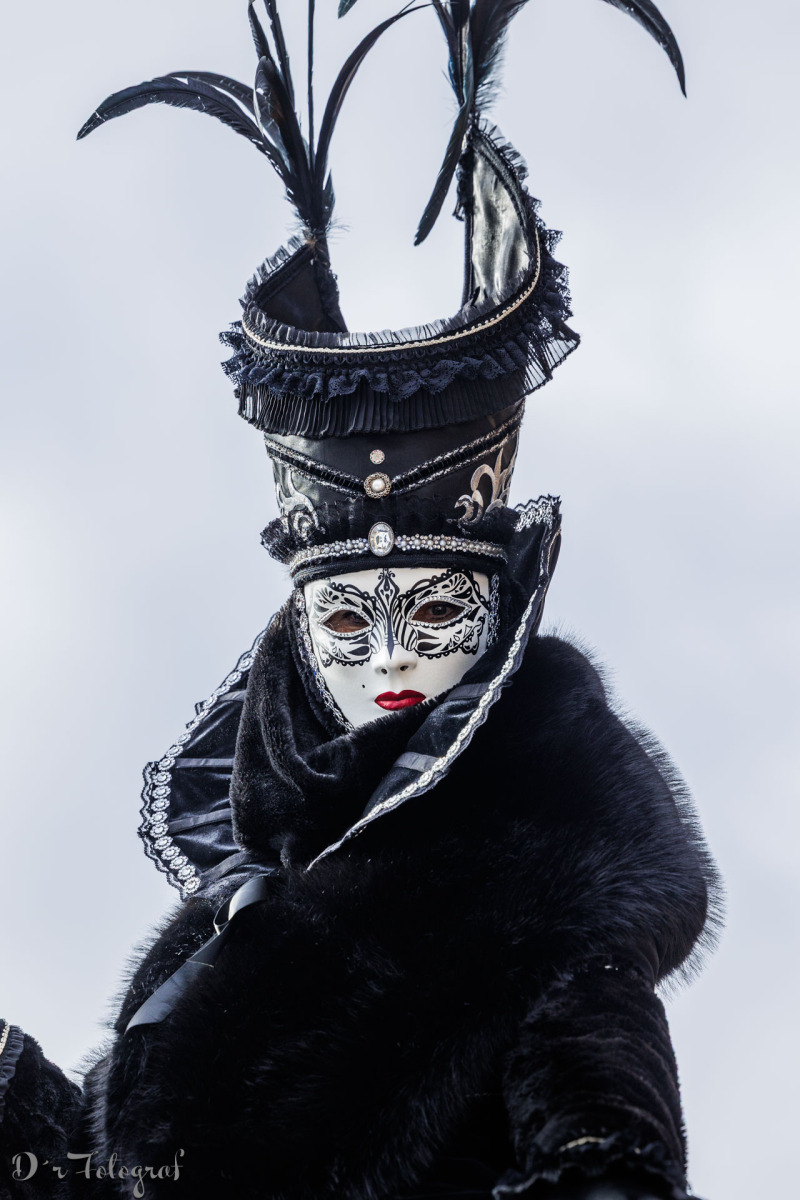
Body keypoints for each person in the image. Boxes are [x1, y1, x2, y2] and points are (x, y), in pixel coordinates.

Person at [0, 3, 720, 1197]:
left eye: (431, 616)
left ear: (494, 625)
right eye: (345, 622)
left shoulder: (548, 913)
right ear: (298, 640)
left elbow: (605, 1166)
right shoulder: (235, 916)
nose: (388, 654)